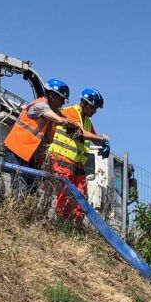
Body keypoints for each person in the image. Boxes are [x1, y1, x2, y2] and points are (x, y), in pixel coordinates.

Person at [2, 78, 78, 197]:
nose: (63, 102)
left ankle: (24, 214)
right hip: (17, 153)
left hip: (31, 159)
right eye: (62, 99)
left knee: (31, 194)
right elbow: (58, 119)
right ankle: (16, 213)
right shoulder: (39, 105)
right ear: (52, 95)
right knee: (20, 192)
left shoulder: (54, 112)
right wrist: (69, 123)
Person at [49, 88, 110, 222]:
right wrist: (100, 139)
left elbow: (93, 136)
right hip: (63, 160)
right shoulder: (70, 112)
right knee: (65, 194)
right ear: (83, 103)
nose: (95, 111)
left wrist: (102, 140)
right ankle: (62, 223)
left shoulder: (87, 121)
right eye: (93, 107)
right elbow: (80, 133)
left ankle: (75, 225)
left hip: (78, 165)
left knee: (81, 197)